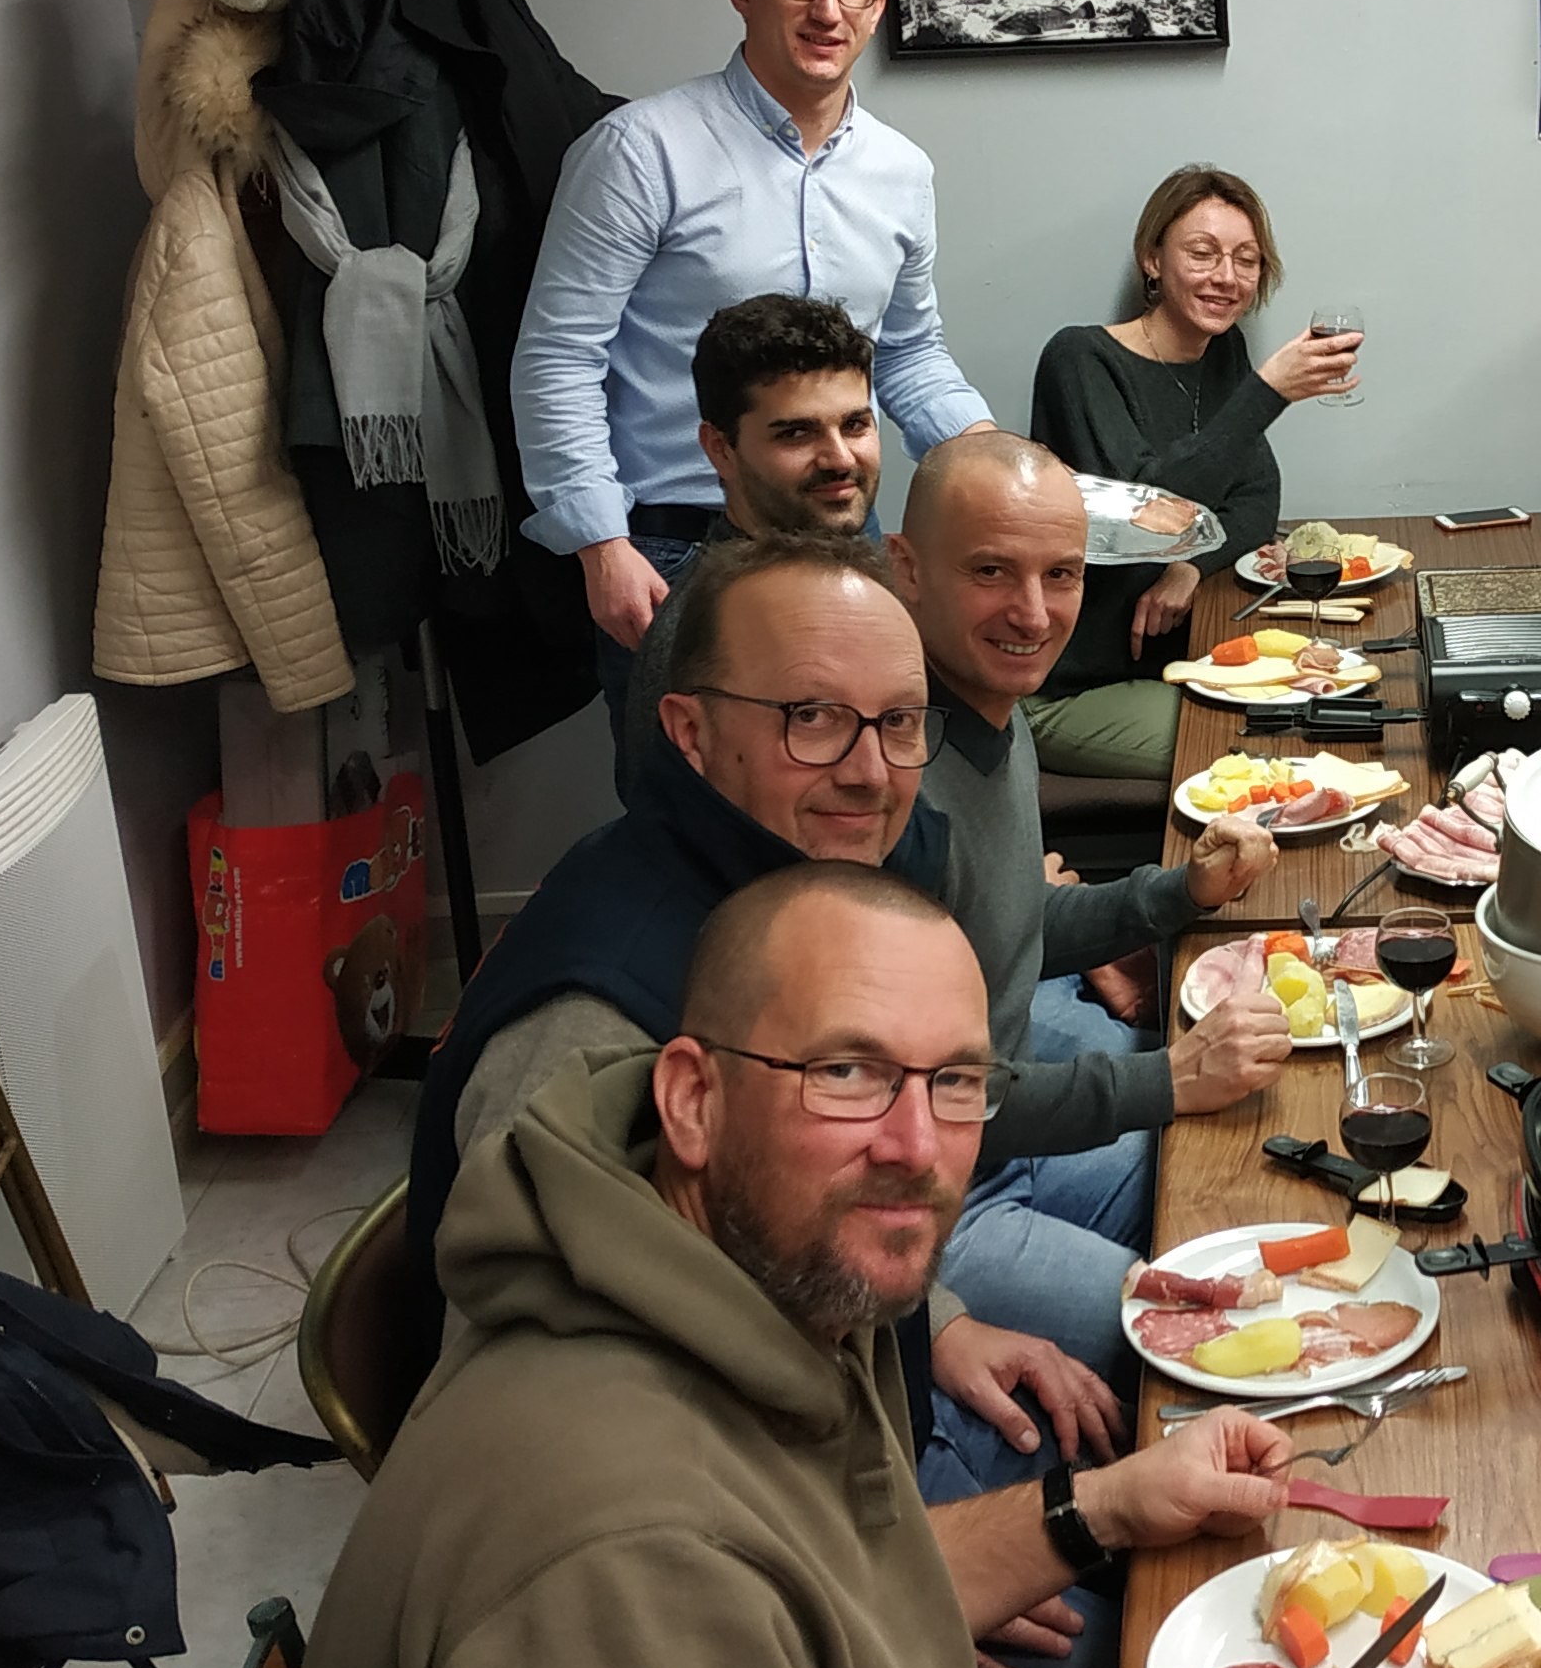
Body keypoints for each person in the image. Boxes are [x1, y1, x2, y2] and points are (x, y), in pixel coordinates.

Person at [291, 862, 1403, 1668]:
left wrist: (1096, 1507)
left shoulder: (711, 1271)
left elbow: (802, 1594)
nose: (916, 1150)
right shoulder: (614, 1549)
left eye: (954, 1085)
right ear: (694, 1098)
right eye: (847, 1074)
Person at [397, 533, 1082, 1499]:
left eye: (899, 722)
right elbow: (556, 1450)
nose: (869, 773)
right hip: (727, 1519)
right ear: (688, 731)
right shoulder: (599, 1020)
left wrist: (946, 1320)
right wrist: (911, 1571)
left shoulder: (845, 863)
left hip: (846, 1381)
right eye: (811, 717)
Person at [892, 435, 1292, 1482]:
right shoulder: (896, 788)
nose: (1034, 613)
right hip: (931, 1214)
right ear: (906, 570)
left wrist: (1178, 894)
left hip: (1005, 1145)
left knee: (1248, 1186)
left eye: (1060, 575)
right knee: (1200, 1345)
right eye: (991, 572)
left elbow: (1015, 930)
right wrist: (1168, 1076)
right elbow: (937, 1098)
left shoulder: (994, 712)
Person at [512, 0, 993, 734]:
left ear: (880, 3)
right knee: (695, 815)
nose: (827, 10)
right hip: (676, 546)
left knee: (852, 785)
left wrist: (990, 458)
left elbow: (911, 353)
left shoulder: (901, 172)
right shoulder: (639, 151)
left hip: (844, 533)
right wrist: (600, 545)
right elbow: (558, 355)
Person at [1025, 167, 1360, 782]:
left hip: (1181, 654)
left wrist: (1189, 565)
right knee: (1274, 746)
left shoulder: (1223, 352)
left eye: (1246, 259)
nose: (1226, 277)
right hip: (1073, 682)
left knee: (1342, 698)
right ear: (1152, 259)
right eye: (1202, 253)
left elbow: (1257, 498)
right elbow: (1145, 508)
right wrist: (1267, 393)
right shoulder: (1079, 359)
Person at [614, 293, 885, 792]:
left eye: (855, 425)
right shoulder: (705, 636)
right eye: (796, 434)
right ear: (720, 448)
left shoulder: (880, 594)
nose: (840, 458)